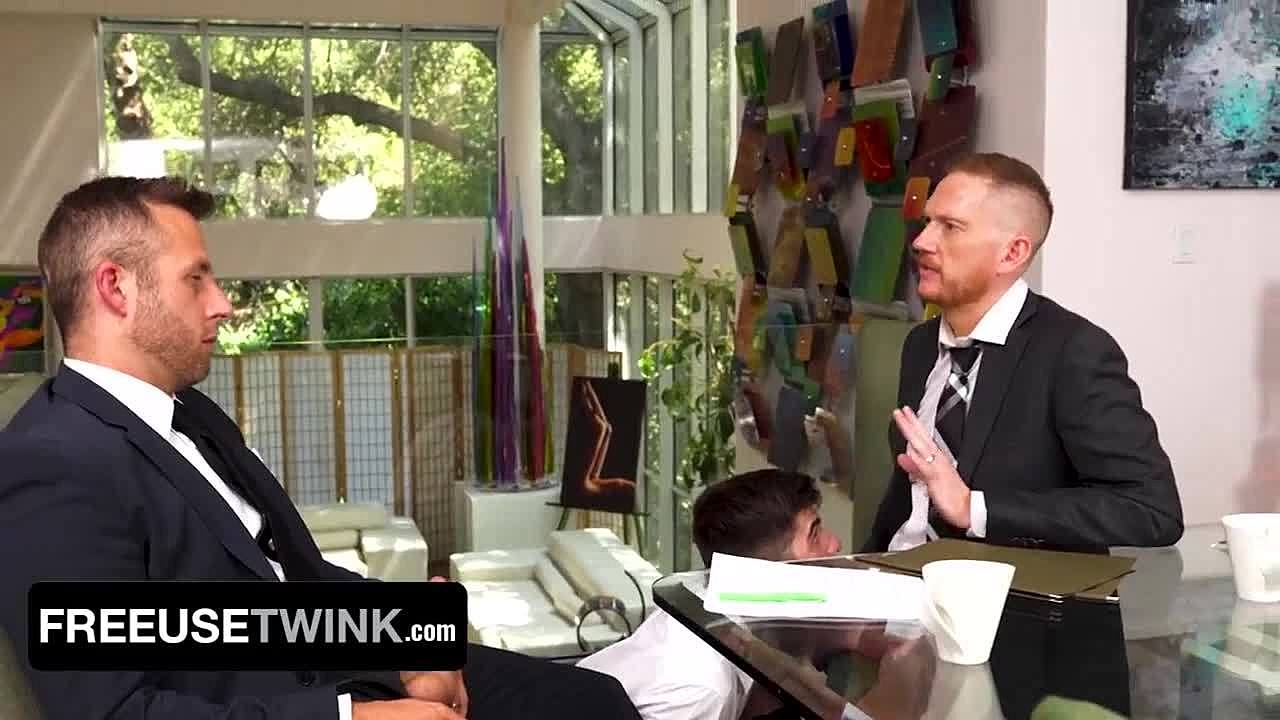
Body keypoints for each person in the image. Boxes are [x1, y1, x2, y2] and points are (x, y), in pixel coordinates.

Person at [0, 176, 640, 720]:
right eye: (196, 279)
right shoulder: (51, 464)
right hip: (300, 705)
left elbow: (292, 582)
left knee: (597, 700)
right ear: (116, 288)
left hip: (349, 666)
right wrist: (352, 717)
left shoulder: (192, 414)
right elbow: (114, 713)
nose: (222, 304)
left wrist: (413, 635)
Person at [864, 152, 1184, 553]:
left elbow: (1150, 510)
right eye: (928, 222)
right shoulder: (919, 345)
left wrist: (974, 509)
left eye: (951, 227)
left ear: (1012, 253)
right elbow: (908, 494)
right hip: (896, 575)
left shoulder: (1074, 353)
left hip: (1009, 588)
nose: (922, 242)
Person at [579, 468, 933, 720]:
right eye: (814, 534)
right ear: (766, 573)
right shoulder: (701, 689)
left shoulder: (711, 599)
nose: (834, 544)